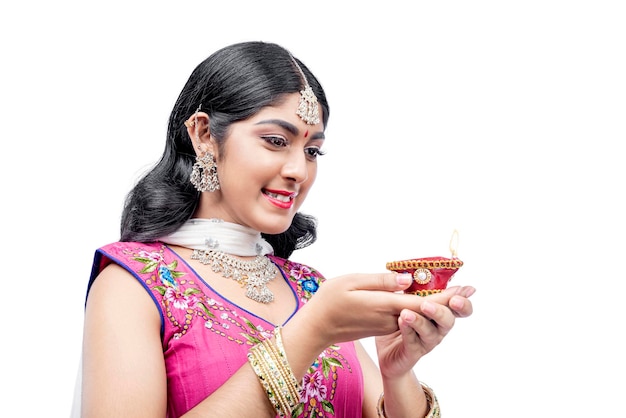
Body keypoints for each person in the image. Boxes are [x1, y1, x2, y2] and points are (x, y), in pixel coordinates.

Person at [78, 41, 475, 418]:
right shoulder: (134, 284)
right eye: (274, 141)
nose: (299, 171)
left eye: (312, 151)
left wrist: (397, 372)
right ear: (203, 135)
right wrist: (311, 333)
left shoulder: (312, 290)